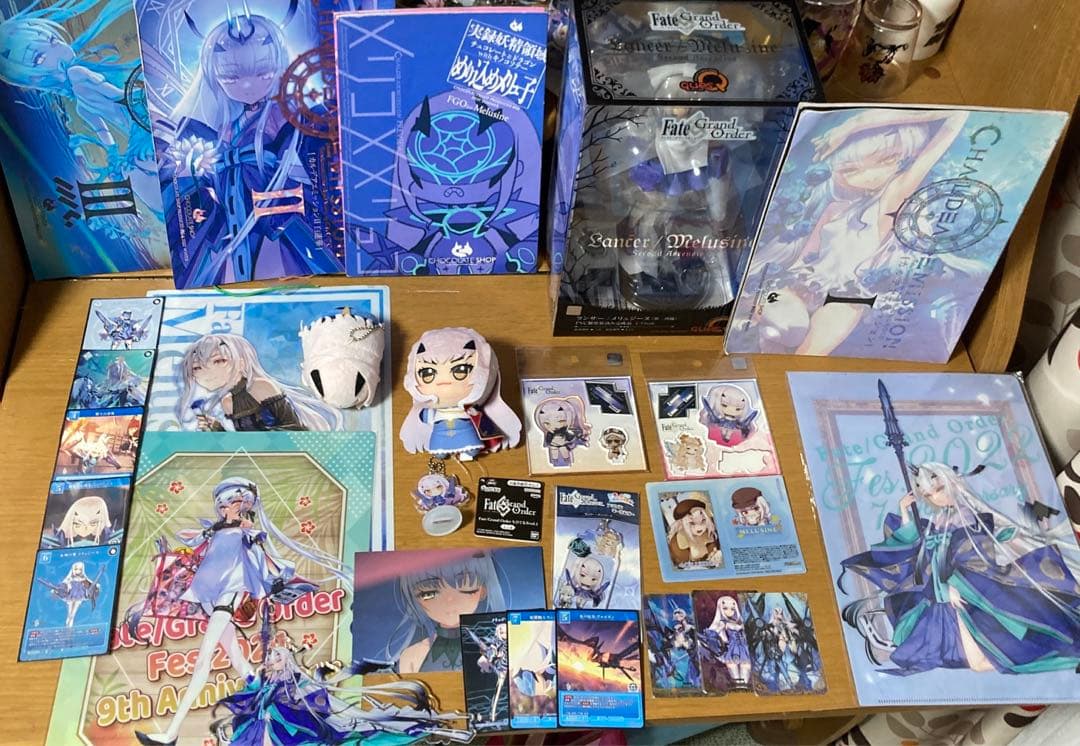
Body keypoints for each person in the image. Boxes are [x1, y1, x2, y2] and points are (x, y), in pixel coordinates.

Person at [840, 462, 1080, 675]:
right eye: (929, 495)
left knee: (986, 660)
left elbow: (969, 555)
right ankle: (1065, 658)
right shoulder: (940, 520)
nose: (936, 498)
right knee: (981, 662)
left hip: (967, 590)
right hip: (947, 594)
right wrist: (904, 512)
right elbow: (919, 549)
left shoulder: (966, 516)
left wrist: (950, 586)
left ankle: (1065, 658)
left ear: (950, 481)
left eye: (938, 489)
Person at [666, 495, 724, 568]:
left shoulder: (710, 535)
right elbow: (679, 565)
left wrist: (717, 556)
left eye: (703, 521)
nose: (699, 527)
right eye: (692, 523)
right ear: (682, 524)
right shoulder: (677, 542)